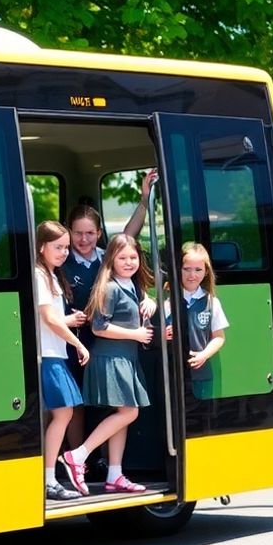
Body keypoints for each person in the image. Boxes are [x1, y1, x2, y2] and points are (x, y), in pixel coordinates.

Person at [62, 170, 158, 451]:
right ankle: (79, 463)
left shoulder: (107, 257)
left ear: (99, 234)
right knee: (75, 404)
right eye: (78, 233)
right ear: (68, 232)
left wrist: (144, 199)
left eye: (90, 233)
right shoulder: (61, 261)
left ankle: (102, 461)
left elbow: (128, 237)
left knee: (114, 406)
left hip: (107, 343)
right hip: (72, 341)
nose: (84, 239)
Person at [62, 233, 155, 495]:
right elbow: (99, 327)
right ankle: (78, 455)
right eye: (122, 257)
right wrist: (135, 334)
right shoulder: (110, 287)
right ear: (111, 259)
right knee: (129, 413)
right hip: (111, 358)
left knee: (122, 416)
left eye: (133, 257)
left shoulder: (132, 286)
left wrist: (150, 300)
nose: (129, 262)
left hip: (125, 358)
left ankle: (115, 475)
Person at [33, 221, 91, 502]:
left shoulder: (51, 275)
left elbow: (51, 319)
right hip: (49, 355)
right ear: (41, 247)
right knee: (63, 413)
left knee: (61, 413)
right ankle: (48, 479)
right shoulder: (39, 275)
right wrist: (77, 343)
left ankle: (48, 475)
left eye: (66, 248)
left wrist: (67, 323)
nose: (64, 252)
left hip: (53, 352)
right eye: (58, 247)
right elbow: (49, 319)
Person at [165, 242, 229, 399]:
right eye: (186, 269)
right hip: (171, 373)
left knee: (202, 411)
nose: (192, 275)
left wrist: (204, 355)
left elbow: (219, 337)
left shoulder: (211, 302)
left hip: (201, 375)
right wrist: (164, 334)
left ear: (206, 272)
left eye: (198, 270)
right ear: (178, 269)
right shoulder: (166, 301)